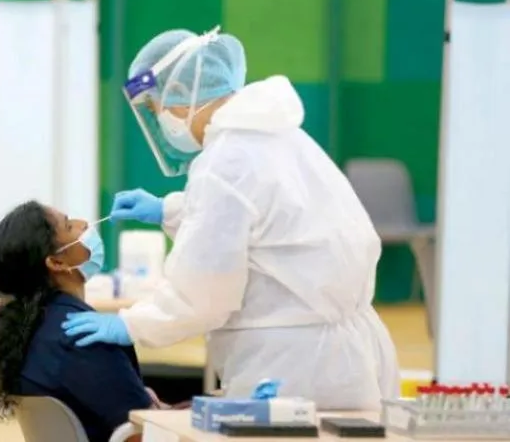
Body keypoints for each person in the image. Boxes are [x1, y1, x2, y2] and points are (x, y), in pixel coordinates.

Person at [61, 27, 400, 410]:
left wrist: (130, 324)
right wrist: (168, 210)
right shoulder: (278, 136)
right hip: (343, 356)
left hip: (291, 364)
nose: (162, 122)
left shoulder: (225, 161)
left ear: (181, 93)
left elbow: (204, 291)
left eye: (157, 109)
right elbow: (263, 224)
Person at [0, 201, 179, 442]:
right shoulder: (84, 337)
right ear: (56, 262)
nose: (85, 224)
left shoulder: (28, 333)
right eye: (70, 226)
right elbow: (139, 432)